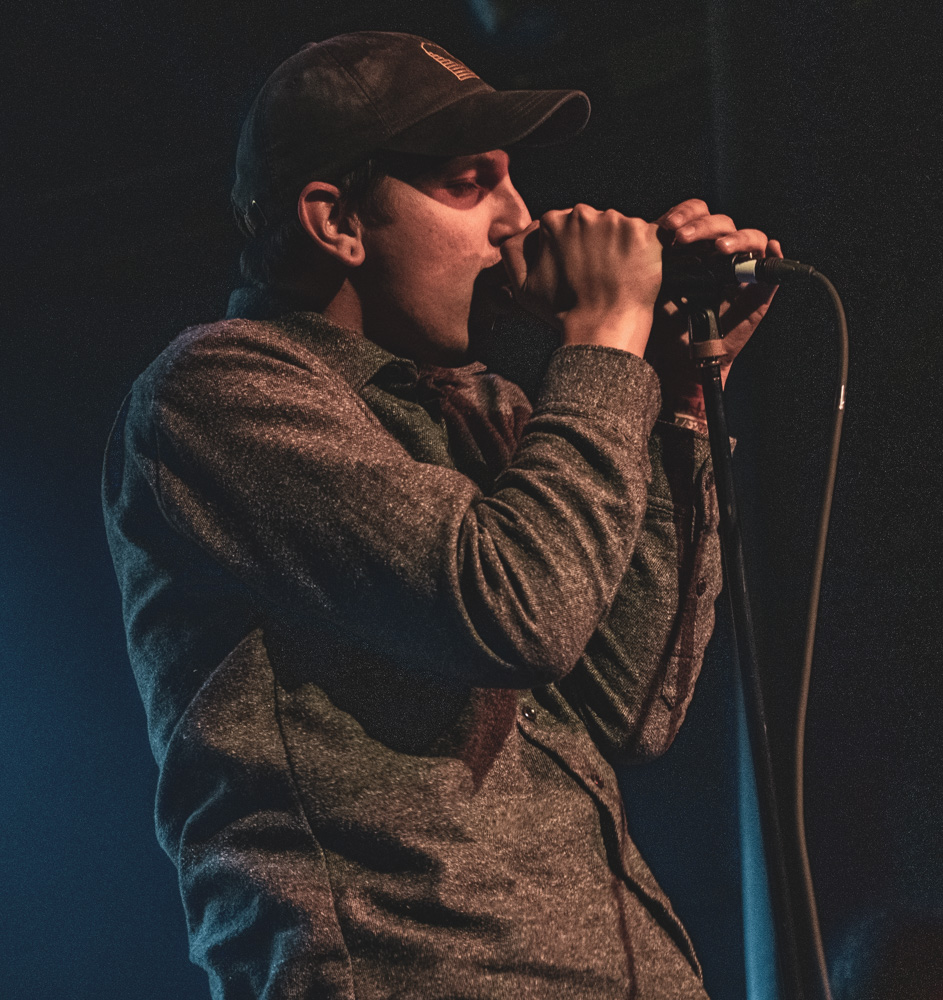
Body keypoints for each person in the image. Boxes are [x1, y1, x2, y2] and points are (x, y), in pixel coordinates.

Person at [103, 30, 781, 999]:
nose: (520, 218)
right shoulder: (218, 393)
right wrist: (601, 346)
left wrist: (670, 395)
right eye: (472, 182)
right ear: (337, 220)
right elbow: (518, 610)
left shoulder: (492, 410)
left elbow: (632, 702)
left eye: (513, 180)